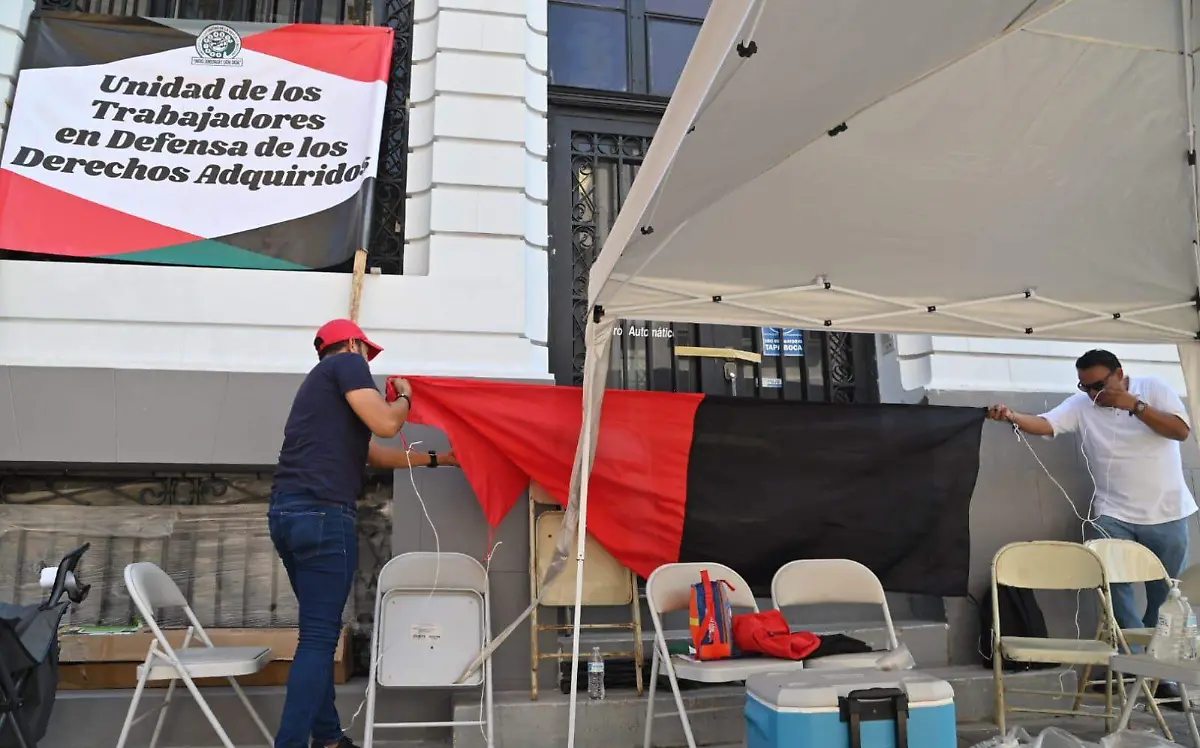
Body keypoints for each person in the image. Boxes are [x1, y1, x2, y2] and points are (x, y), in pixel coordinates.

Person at [269, 319, 458, 748]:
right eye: (368, 355)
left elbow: (371, 452)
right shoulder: (347, 366)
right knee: (318, 639)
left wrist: (439, 459)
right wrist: (405, 396)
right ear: (353, 344)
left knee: (317, 631)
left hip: (287, 513)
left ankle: (329, 738)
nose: (368, 364)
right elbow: (388, 425)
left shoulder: (319, 390)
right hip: (322, 515)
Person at [988, 348, 1194, 703]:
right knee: (1115, 594)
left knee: (1164, 599)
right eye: (1084, 386)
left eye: (1098, 385)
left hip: (1168, 512)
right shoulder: (1082, 405)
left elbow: (1181, 431)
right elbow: (1046, 423)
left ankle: (1159, 671)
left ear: (1120, 374)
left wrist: (1135, 406)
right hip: (1111, 514)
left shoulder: (1153, 388)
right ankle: (1137, 665)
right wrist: (1011, 416)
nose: (1092, 394)